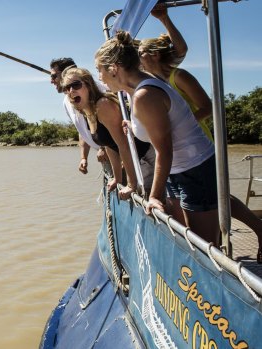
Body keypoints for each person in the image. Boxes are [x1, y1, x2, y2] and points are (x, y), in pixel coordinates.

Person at [139, 29, 262, 262]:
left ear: (153, 55)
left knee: (217, 198)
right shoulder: (150, 84)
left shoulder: (178, 76)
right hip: (173, 154)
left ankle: (253, 232)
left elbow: (208, 106)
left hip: (197, 146)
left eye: (140, 53)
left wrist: (178, 124)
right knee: (214, 199)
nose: (137, 58)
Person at [95, 30, 220, 246]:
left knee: (204, 247)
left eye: (99, 70)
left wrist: (153, 196)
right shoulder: (139, 88)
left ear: (114, 69)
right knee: (185, 239)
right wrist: (133, 125)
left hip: (195, 168)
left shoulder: (145, 95)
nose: (99, 78)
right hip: (179, 170)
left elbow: (165, 150)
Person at [60, 67, 156, 199]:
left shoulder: (103, 105)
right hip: (136, 161)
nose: (71, 91)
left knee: (153, 203)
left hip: (147, 157)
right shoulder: (87, 112)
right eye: (67, 88)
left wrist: (130, 184)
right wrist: (117, 178)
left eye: (76, 85)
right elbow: (109, 145)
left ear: (88, 85)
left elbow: (124, 145)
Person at [50, 58, 107, 175]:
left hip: (123, 154)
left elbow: (115, 123)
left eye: (54, 76)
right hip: (105, 158)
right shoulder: (67, 101)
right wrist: (83, 157)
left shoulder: (98, 91)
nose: (52, 81)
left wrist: (105, 147)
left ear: (67, 73)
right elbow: (82, 130)